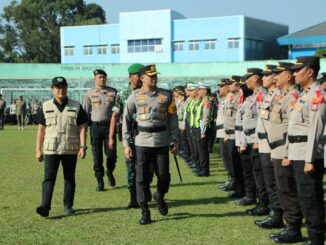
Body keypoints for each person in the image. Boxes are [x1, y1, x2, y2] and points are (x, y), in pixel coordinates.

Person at [122, 64, 179, 225]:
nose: (154, 79)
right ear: (142, 78)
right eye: (150, 76)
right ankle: (145, 211)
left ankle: (159, 196)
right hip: (142, 141)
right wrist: (126, 144)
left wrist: (175, 139)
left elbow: (173, 119)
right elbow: (126, 120)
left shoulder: (166, 95)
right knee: (141, 178)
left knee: (164, 176)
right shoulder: (134, 97)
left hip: (161, 141)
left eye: (155, 76)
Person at [283, 56, 325, 245]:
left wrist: (309, 160)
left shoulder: (317, 95)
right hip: (297, 151)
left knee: (311, 198)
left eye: (298, 70)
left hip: (308, 154)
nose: (293, 74)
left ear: (310, 71)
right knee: (303, 196)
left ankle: (316, 238)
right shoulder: (304, 94)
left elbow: (316, 129)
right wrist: (288, 153)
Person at [35, 77, 88, 217]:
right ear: (52, 89)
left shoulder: (76, 105)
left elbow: (82, 127)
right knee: (48, 178)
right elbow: (41, 130)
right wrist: (37, 150)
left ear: (67, 88)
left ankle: (68, 205)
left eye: (63, 87)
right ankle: (45, 206)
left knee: (69, 178)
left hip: (70, 148)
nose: (61, 90)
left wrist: (83, 146)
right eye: (58, 87)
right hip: (51, 149)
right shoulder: (45, 106)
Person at [267, 62, 303, 243]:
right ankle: (289, 223)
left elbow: (293, 127)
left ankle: (294, 227)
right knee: (281, 188)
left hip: (284, 150)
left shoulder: (293, 97)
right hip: (276, 149)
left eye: (278, 75)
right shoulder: (282, 96)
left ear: (287, 76)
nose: (274, 78)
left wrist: (288, 153)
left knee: (287, 189)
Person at [109, 63, 144, 209]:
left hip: (146, 134)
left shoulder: (147, 92)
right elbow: (115, 115)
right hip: (129, 134)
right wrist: (111, 137)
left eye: (143, 75)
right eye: (138, 75)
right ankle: (133, 198)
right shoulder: (123, 94)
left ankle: (143, 192)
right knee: (131, 167)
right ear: (130, 76)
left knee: (146, 167)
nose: (141, 78)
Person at [254, 65, 284, 229]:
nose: (263, 78)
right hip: (265, 144)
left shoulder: (278, 96)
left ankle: (277, 214)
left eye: (267, 75)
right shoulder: (269, 96)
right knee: (269, 181)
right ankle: (274, 212)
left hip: (274, 145)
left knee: (275, 182)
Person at [83, 69, 118, 191]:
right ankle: (100, 181)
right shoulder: (89, 94)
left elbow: (118, 110)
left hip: (110, 127)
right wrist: (84, 132)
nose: (102, 79)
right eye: (99, 77)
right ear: (95, 79)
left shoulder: (113, 92)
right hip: (95, 128)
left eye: (103, 77)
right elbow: (85, 114)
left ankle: (109, 171)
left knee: (112, 154)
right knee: (97, 157)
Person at [241, 68, 269, 216]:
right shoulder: (253, 96)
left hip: (257, 140)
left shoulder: (262, 95)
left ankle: (264, 204)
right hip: (251, 139)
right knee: (255, 172)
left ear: (256, 78)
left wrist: (257, 140)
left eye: (248, 78)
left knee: (260, 174)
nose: (246, 81)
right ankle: (261, 201)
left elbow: (262, 121)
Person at [223, 76, 245, 198]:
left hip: (237, 134)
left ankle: (241, 189)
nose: (229, 86)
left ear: (237, 86)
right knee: (234, 163)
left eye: (231, 84)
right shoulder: (232, 98)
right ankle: (238, 187)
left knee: (238, 165)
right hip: (231, 134)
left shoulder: (239, 99)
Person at [195, 82, 213, 176]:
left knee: (203, 151)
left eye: (200, 89)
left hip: (204, 128)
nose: (198, 91)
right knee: (200, 150)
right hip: (200, 127)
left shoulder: (207, 101)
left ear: (205, 91)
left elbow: (205, 117)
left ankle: (205, 171)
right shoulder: (202, 100)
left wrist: (203, 132)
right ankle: (202, 169)